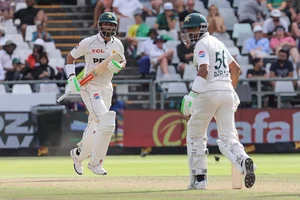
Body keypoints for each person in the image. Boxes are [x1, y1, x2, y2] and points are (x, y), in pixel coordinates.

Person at [180, 13, 256, 190]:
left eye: (193, 29)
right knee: (228, 137)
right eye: (188, 30)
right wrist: (231, 89)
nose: (190, 33)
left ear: (203, 28)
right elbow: (236, 69)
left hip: (208, 92)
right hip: (227, 92)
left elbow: (204, 69)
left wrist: (192, 95)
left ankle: (199, 179)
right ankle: (244, 160)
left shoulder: (201, 44)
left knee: (195, 134)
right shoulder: (219, 43)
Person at [67, 12, 126, 176]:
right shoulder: (89, 42)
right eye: (106, 24)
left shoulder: (118, 44)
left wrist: (119, 66)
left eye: (112, 25)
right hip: (90, 85)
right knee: (106, 121)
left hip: (107, 87)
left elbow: (122, 60)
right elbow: (70, 57)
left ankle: (78, 155)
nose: (109, 27)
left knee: (95, 124)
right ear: (100, 25)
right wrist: (71, 77)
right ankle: (95, 163)